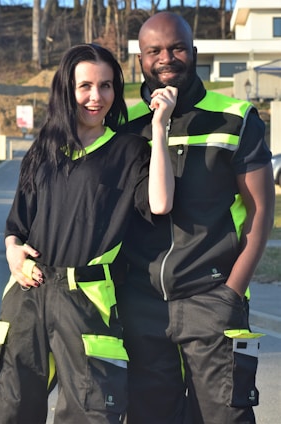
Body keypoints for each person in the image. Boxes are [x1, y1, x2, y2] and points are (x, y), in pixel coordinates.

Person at [0, 43, 177, 424]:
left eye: (106, 86)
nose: (96, 97)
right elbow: (16, 227)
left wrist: (159, 130)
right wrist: (13, 253)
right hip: (27, 296)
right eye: (85, 86)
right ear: (66, 90)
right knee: (8, 410)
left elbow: (160, 203)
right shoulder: (44, 148)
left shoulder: (129, 150)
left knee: (92, 413)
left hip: (87, 298)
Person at [115, 11, 275, 424]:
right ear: (140, 61)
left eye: (177, 48)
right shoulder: (128, 127)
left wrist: (232, 293)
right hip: (142, 305)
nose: (166, 58)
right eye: (154, 51)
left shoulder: (236, 117)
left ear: (194, 52)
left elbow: (260, 213)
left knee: (225, 417)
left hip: (213, 300)